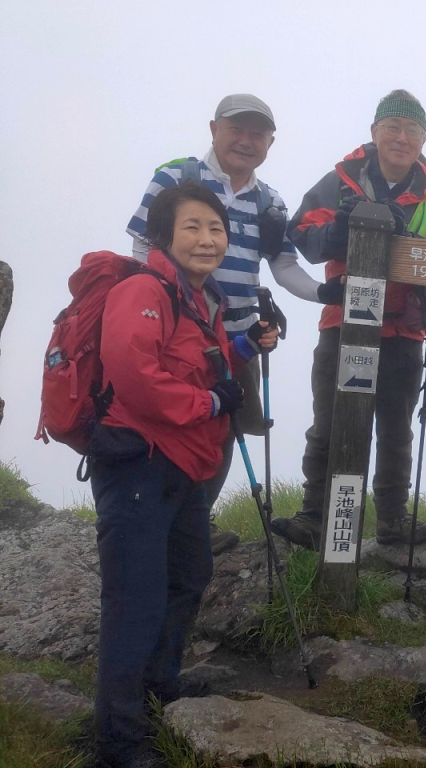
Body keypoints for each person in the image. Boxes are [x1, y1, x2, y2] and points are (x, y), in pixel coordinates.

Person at [92, 181, 278, 768]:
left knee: (188, 579)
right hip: (138, 467)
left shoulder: (200, 300)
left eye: (216, 228)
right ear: (164, 235)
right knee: (136, 602)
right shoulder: (143, 290)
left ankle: (158, 689)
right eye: (193, 227)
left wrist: (248, 345)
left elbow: (209, 368)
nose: (207, 238)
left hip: (181, 472)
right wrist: (215, 406)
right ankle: (119, 744)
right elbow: (137, 376)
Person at [126, 93, 340, 553]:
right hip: (177, 330)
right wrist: (158, 307)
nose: (246, 140)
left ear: (270, 141)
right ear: (213, 129)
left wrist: (323, 293)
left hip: (237, 338)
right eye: (236, 129)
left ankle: (196, 520)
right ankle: (166, 521)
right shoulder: (175, 177)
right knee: (170, 420)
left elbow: (283, 267)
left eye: (257, 133)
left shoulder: (270, 202)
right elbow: (143, 250)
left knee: (226, 428)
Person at [271, 89, 426, 550]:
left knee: (395, 427)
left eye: (412, 130)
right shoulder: (341, 179)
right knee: (330, 423)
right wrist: (338, 231)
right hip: (342, 321)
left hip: (404, 330)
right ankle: (316, 515)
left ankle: (392, 519)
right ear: (374, 133)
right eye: (392, 127)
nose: (401, 136)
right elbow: (303, 236)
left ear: (423, 138)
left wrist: (401, 233)